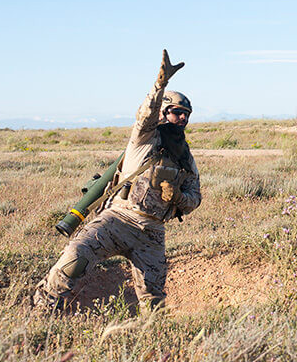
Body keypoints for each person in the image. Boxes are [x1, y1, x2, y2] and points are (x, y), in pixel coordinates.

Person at [33, 49, 201, 311]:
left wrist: (179, 198)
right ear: (164, 112)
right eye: (177, 112)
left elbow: (195, 198)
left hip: (153, 233)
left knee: (153, 299)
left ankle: (154, 340)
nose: (183, 118)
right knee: (73, 261)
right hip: (118, 219)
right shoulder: (144, 137)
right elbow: (146, 113)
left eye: (187, 115)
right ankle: (41, 312)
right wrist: (160, 85)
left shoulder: (186, 157)